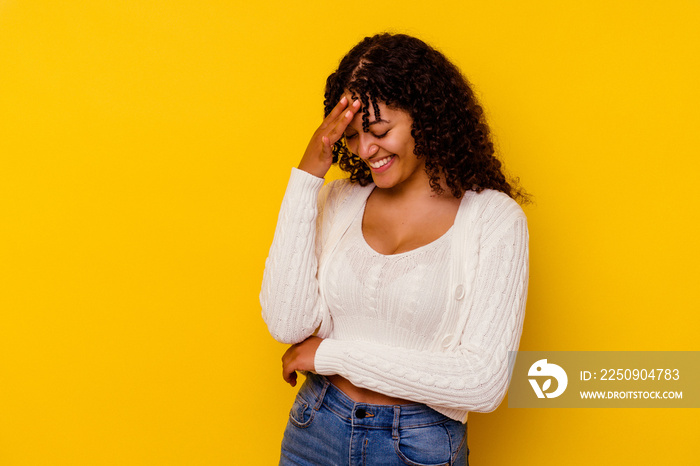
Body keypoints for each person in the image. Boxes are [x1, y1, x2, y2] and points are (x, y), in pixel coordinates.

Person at [260, 32, 529, 466]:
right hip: (316, 428)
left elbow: (483, 382)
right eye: (350, 136)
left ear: (424, 116)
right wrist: (308, 176)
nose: (365, 150)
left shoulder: (494, 220)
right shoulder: (340, 201)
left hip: (417, 449)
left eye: (379, 131)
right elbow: (287, 323)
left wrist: (333, 354)